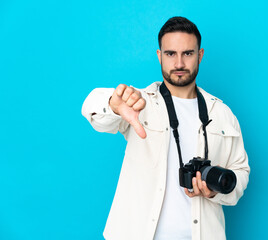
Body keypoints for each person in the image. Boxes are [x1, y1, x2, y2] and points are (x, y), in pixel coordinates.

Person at [82, 16, 250, 240]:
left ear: (200, 55)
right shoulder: (139, 102)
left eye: (188, 53)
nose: (179, 63)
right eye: (170, 54)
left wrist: (214, 192)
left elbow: (240, 172)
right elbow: (92, 107)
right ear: (160, 56)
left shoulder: (222, 114)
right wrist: (113, 104)